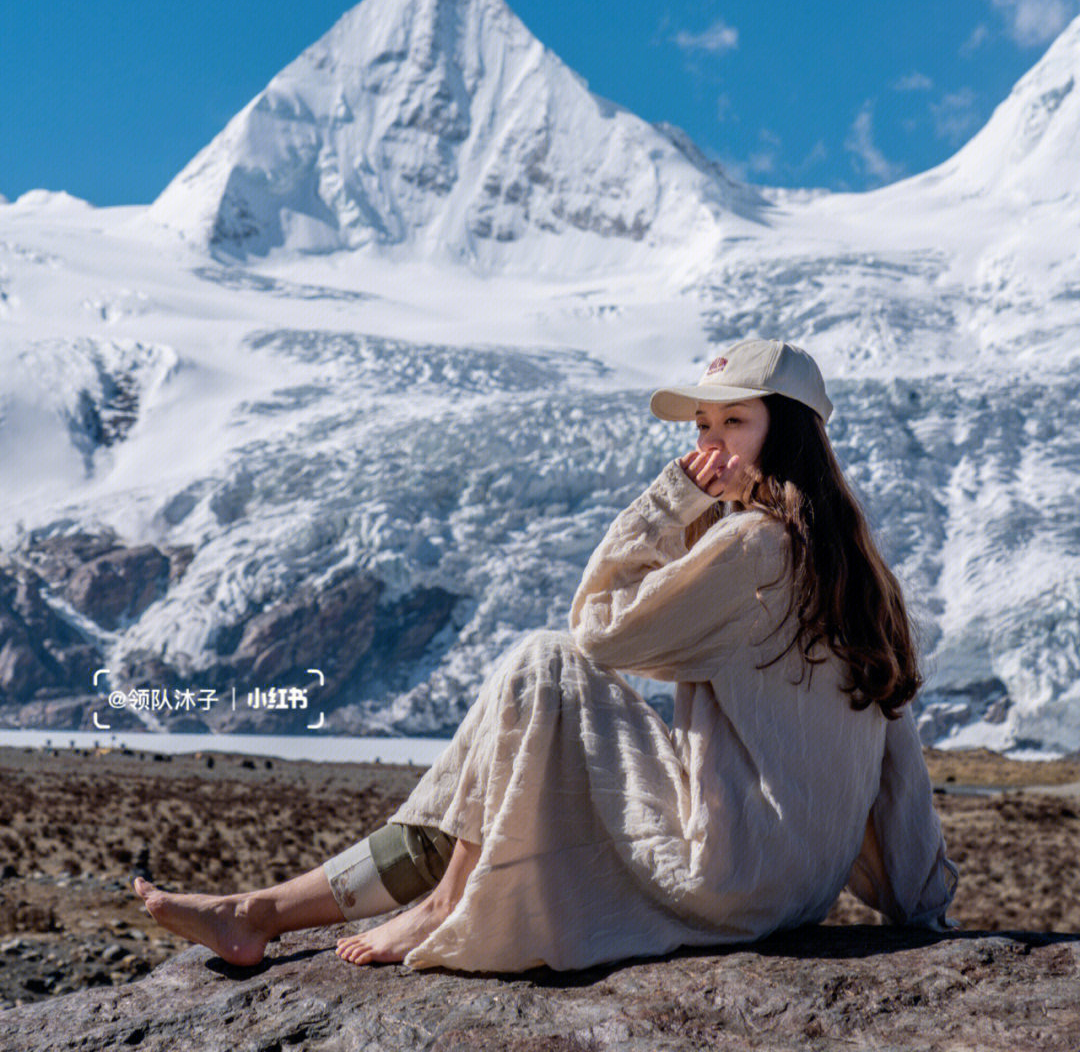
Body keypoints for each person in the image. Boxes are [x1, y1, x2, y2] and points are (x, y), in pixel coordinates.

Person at [135, 337, 958, 973]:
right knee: (508, 751)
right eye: (702, 426)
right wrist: (925, 910)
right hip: (795, 891)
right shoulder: (861, 571)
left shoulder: (753, 546)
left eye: (733, 422)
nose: (708, 446)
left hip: (733, 875)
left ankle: (431, 906)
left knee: (541, 661)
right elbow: (895, 756)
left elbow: (602, 628)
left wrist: (668, 503)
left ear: (790, 436)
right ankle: (262, 911)